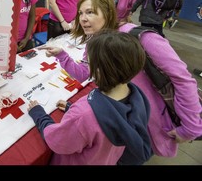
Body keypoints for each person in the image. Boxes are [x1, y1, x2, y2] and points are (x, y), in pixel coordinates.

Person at [39, 0, 202, 159]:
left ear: (108, 13)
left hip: (151, 123)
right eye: (80, 13)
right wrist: (62, 55)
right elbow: (85, 73)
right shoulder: (94, 42)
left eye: (90, 12)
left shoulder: (139, 37)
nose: (83, 19)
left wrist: (191, 127)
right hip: (122, 122)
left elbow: (183, 79)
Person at [28, 29, 152, 165]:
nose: (86, 67)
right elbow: (111, 117)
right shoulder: (138, 96)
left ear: (98, 70)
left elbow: (58, 141)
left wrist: (39, 115)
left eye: (88, 63)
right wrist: (71, 108)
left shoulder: (83, 114)